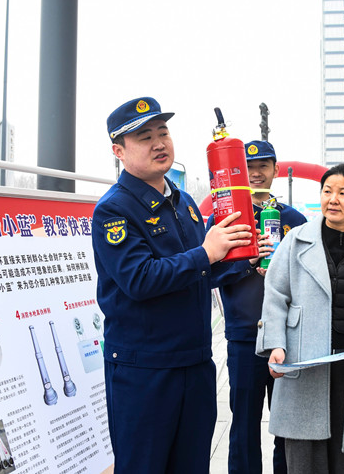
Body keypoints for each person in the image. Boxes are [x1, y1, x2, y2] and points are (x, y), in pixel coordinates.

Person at [91, 97, 254, 473]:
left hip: (194, 365)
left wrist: (242, 260)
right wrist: (207, 253)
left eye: (162, 132)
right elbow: (139, 279)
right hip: (146, 372)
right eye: (144, 137)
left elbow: (199, 274)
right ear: (119, 151)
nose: (158, 143)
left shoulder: (184, 204)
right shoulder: (114, 210)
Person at [256, 163, 344, 474]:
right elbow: (276, 297)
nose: (333, 199)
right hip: (304, 358)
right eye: (327, 191)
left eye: (343, 193)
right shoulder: (296, 241)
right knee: (303, 452)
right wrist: (276, 345)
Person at [206, 139, 307, 474]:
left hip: (287, 339)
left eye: (263, 165)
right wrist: (247, 263)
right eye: (247, 167)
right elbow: (208, 274)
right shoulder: (224, 220)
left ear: (276, 170)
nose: (255, 173)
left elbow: (310, 277)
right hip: (244, 337)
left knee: (287, 426)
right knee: (244, 424)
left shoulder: (294, 220)